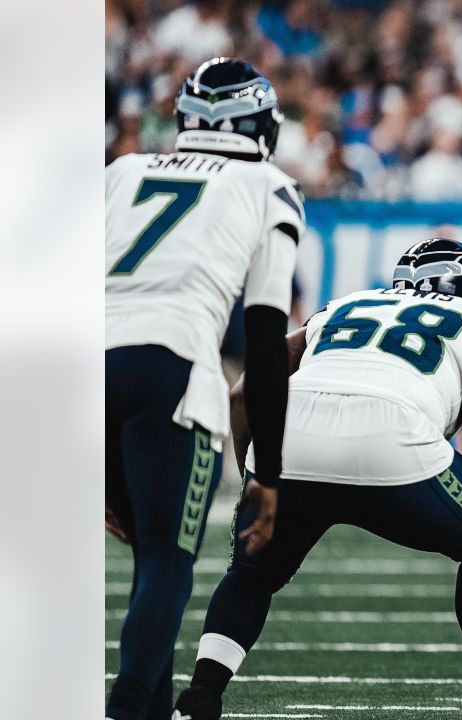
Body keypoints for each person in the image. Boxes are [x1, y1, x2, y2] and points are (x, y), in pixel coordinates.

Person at [170, 239, 462, 720]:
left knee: (253, 571)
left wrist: (260, 481)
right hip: (394, 440)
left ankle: (199, 698)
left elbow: (244, 391)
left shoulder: (347, 304)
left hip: (292, 430)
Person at [105, 57, 299, 720]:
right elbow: (267, 340)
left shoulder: (124, 170)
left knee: (148, 562)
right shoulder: (267, 184)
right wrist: (267, 473)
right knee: (167, 558)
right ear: (259, 125)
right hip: (172, 364)